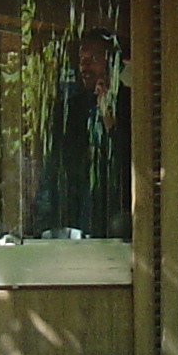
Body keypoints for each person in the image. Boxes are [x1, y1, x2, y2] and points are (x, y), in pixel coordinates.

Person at [30, 29, 131, 239]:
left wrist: (109, 121)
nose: (84, 66)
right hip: (75, 214)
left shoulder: (132, 104)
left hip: (117, 212)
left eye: (93, 59)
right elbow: (55, 165)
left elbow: (130, 158)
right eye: (81, 59)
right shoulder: (68, 110)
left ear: (112, 64)